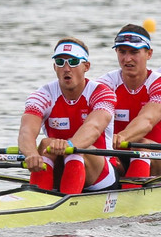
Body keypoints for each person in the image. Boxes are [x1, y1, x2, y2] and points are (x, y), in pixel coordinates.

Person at [18, 38, 118, 194]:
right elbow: (26, 131)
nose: (66, 68)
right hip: (62, 168)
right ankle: (36, 202)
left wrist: (69, 146)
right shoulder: (42, 95)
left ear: (86, 66)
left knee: (76, 150)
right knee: (45, 145)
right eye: (60, 62)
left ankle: (64, 204)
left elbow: (94, 127)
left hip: (100, 174)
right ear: (54, 68)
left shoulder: (103, 93)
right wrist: (31, 154)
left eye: (73, 62)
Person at [96, 25, 161, 186]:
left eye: (134, 52)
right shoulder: (105, 84)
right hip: (116, 155)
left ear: (149, 53)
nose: (127, 58)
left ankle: (129, 198)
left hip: (157, 163)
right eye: (122, 52)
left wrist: (122, 137)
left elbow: (147, 120)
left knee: (143, 146)